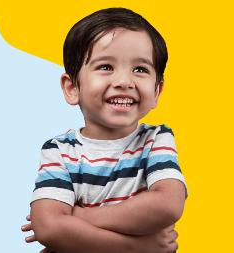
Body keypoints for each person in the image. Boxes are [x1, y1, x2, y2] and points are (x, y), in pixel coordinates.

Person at [22, 7, 187, 253]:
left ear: (156, 92)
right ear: (71, 88)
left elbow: (167, 205)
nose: (124, 81)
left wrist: (75, 219)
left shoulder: (155, 140)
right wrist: (139, 247)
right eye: (106, 67)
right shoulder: (60, 150)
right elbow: (48, 228)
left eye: (140, 69)